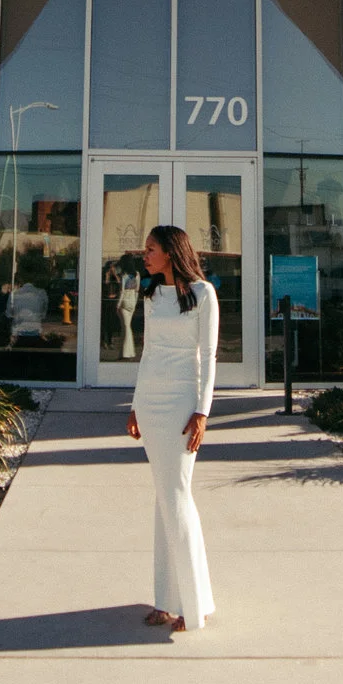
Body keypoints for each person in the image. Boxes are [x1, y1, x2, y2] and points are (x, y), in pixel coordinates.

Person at [125, 222, 217, 632]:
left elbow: (210, 356)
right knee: (163, 499)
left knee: (177, 496)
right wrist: (134, 406)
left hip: (182, 403)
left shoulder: (203, 294)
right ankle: (165, 600)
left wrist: (202, 411)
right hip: (151, 402)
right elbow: (147, 353)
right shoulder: (151, 294)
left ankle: (192, 606)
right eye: (145, 250)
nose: (144, 255)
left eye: (151, 249)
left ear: (170, 252)